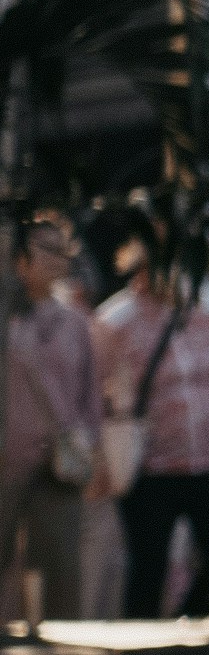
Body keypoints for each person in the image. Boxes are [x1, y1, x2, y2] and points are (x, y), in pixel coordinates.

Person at [115, 258, 209, 619]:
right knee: (147, 565)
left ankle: (194, 626)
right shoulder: (116, 320)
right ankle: (136, 651)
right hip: (153, 464)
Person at [1, 222, 94, 632]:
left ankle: (63, 653)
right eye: (46, 250)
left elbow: (88, 395)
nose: (58, 260)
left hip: (59, 459)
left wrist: (91, 447)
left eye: (62, 250)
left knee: (60, 561)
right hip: (6, 458)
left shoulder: (74, 323)